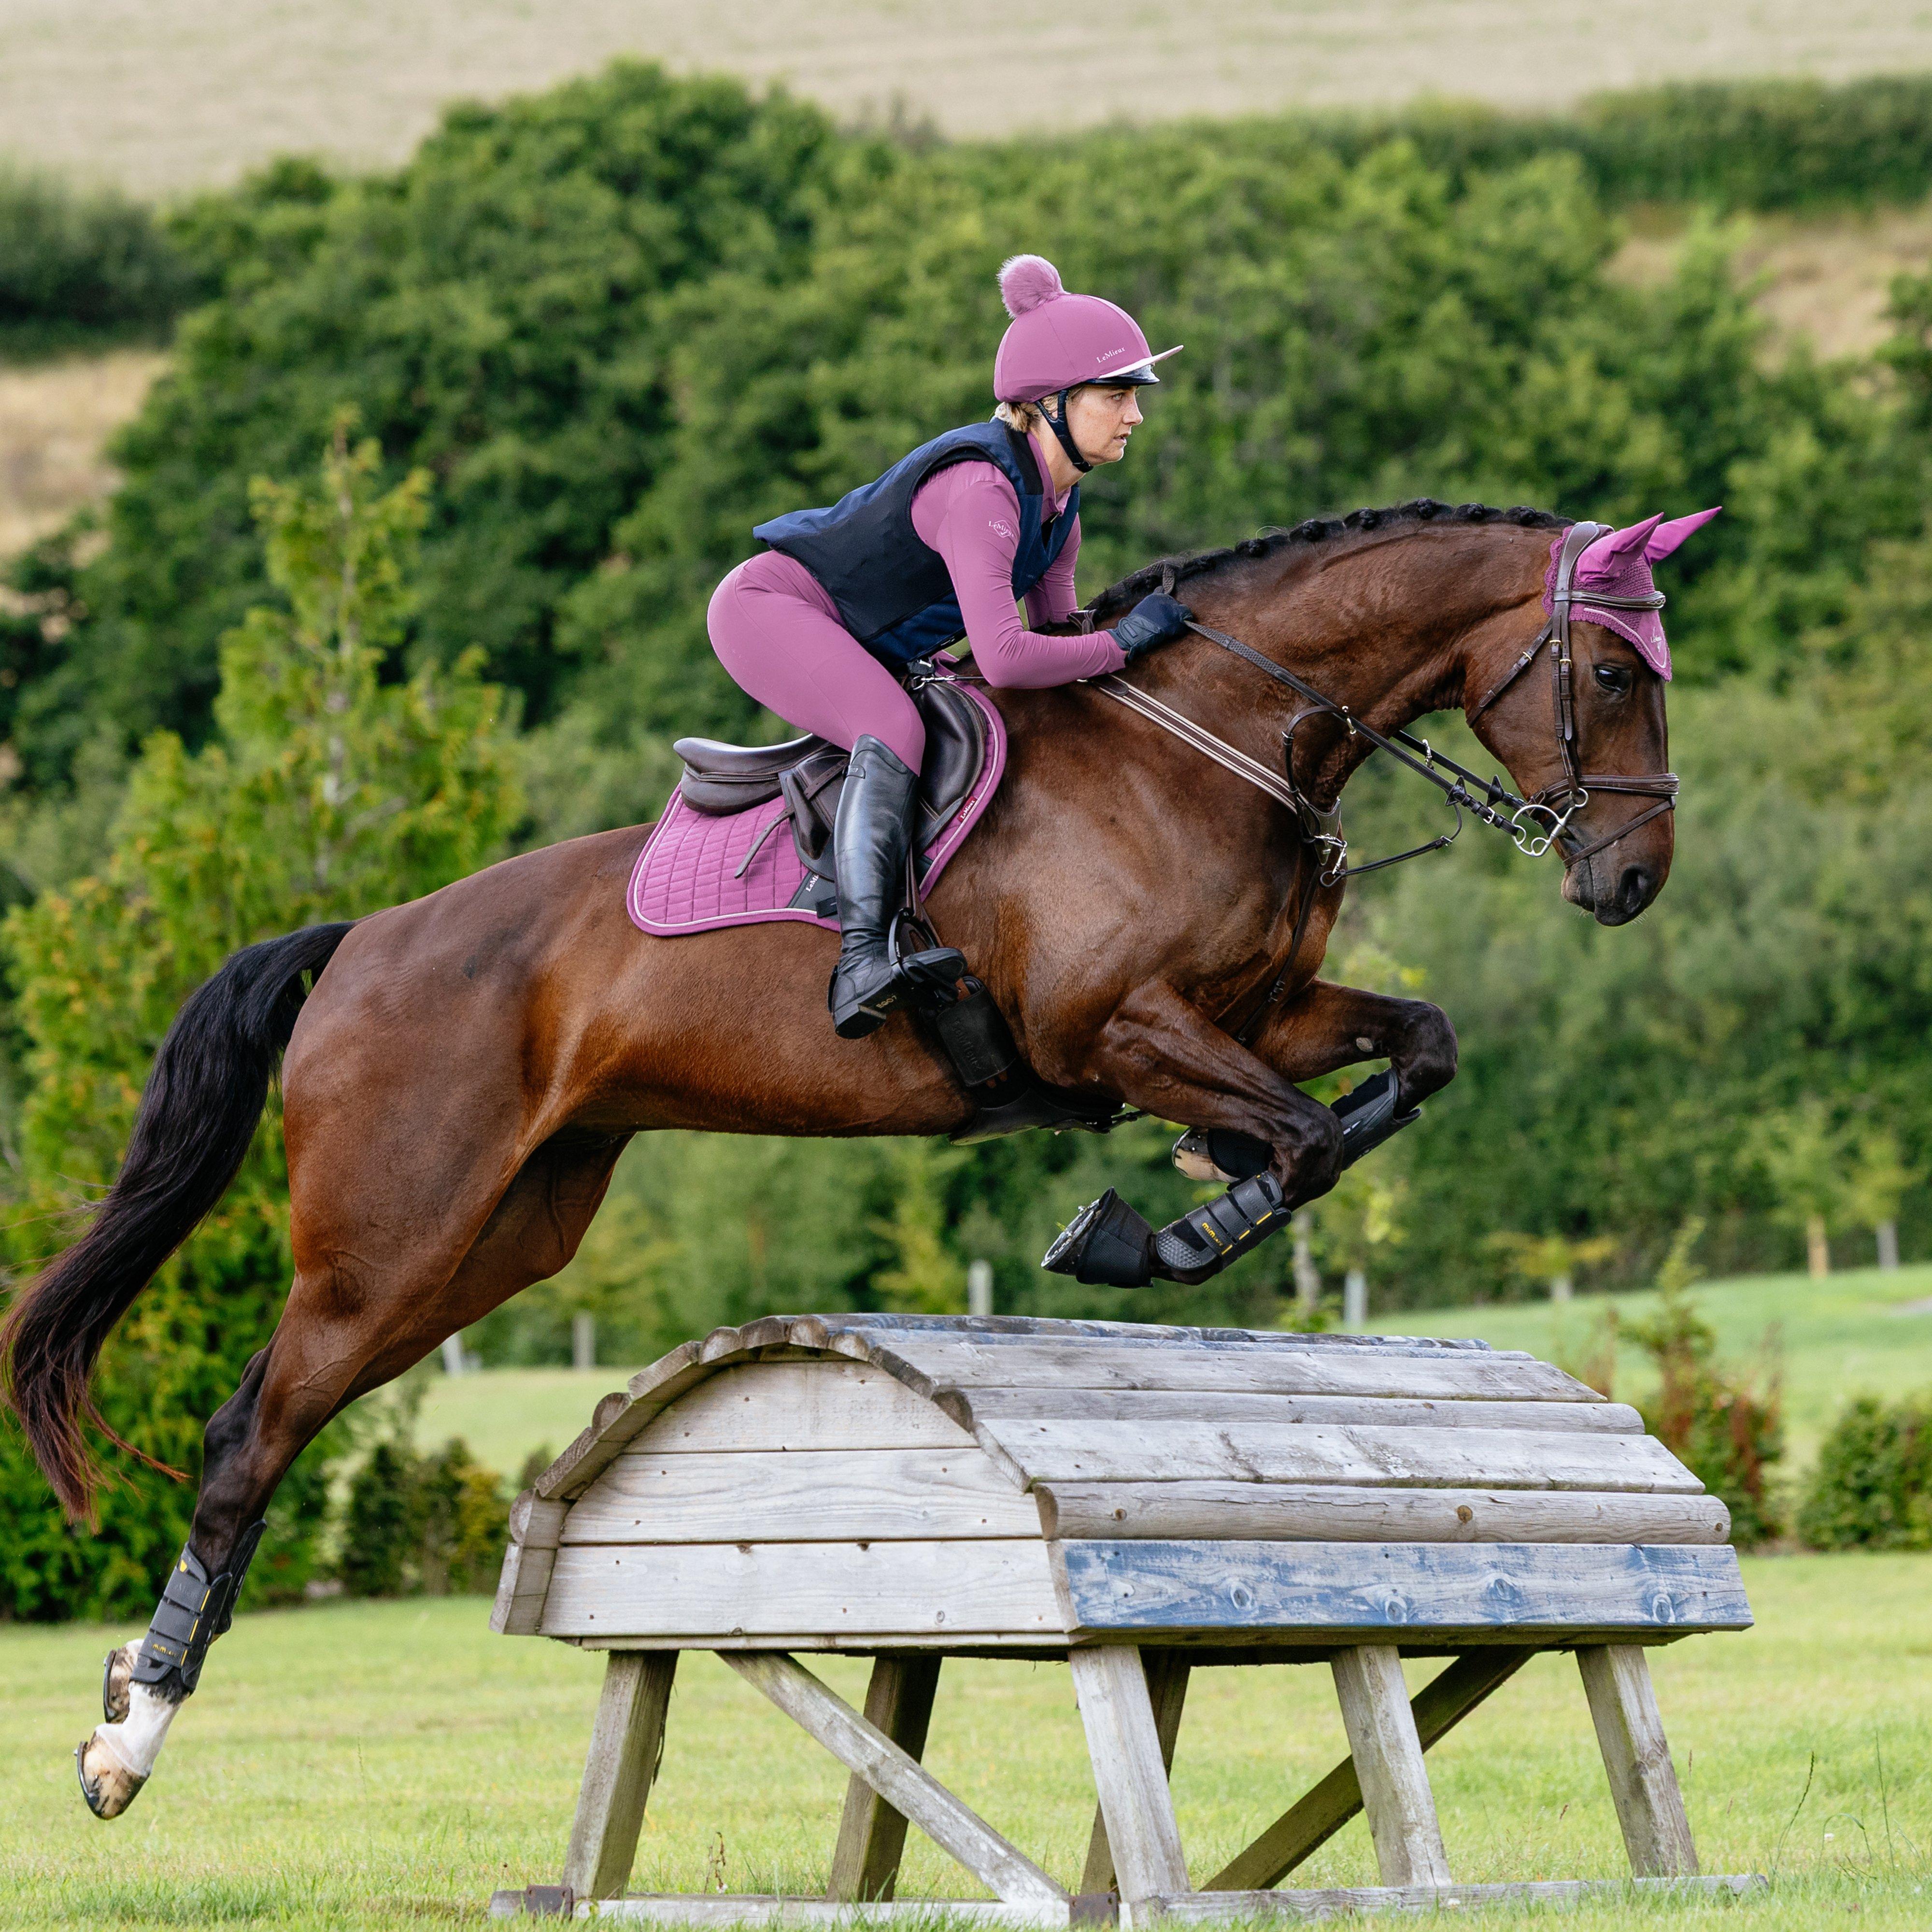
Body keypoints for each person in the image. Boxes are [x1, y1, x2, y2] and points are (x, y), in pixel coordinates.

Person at [708, 254, 1194, 1038]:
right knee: (895, 729)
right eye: (1117, 396)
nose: (1134, 415)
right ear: (1049, 406)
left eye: (1133, 397)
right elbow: (1006, 657)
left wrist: (1118, 659)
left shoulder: (1057, 505)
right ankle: (862, 961)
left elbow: (1054, 641)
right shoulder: (984, 492)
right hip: (768, 609)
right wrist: (1122, 644)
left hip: (854, 632)